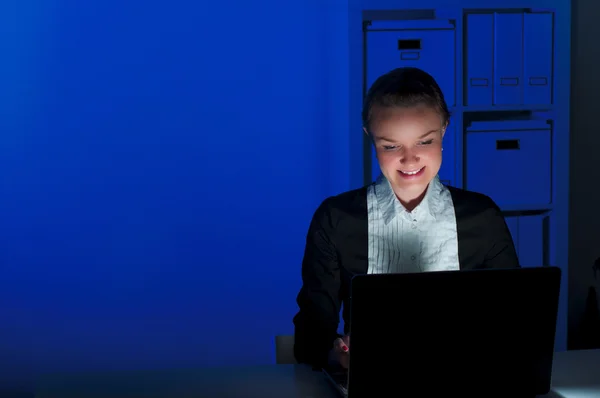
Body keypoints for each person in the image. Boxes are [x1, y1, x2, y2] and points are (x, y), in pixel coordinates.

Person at [292, 67, 520, 369]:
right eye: (390, 146)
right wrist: (334, 353)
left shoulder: (483, 217)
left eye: (424, 142)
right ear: (370, 137)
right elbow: (310, 336)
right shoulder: (335, 219)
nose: (409, 159)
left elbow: (517, 325)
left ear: (444, 130)